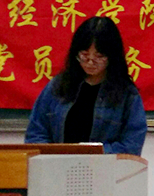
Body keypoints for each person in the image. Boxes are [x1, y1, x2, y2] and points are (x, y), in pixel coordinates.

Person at [25, 16, 146, 155]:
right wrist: (55, 156)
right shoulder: (58, 86)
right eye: (84, 55)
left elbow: (132, 145)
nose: (90, 63)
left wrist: (91, 153)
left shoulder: (127, 94)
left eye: (99, 57)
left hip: (104, 167)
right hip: (58, 165)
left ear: (112, 56)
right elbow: (35, 134)